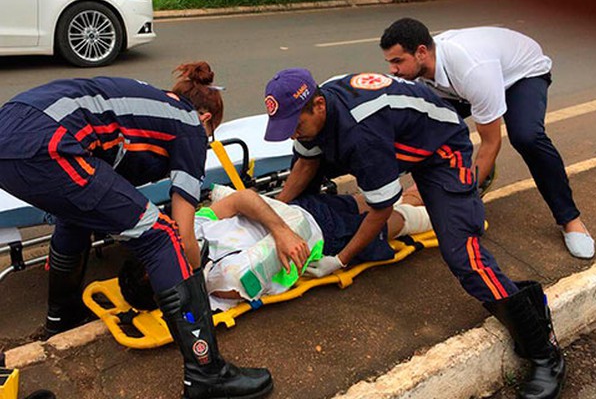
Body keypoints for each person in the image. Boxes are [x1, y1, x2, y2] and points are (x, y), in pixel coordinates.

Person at [263, 68, 565, 399]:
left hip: (442, 151)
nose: (293, 134)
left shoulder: (362, 134)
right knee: (309, 177)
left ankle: (544, 353)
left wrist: (340, 259)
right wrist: (277, 212)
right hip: (401, 136)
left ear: (318, 105)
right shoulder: (321, 109)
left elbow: (381, 211)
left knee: (463, 255)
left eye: (296, 126)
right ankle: (525, 301)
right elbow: (305, 164)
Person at [0, 63, 287, 399]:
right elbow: (183, 230)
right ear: (206, 119)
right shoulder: (190, 124)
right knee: (162, 236)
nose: (205, 142)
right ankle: (207, 372)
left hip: (13, 126)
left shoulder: (149, 104)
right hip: (48, 142)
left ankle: (61, 321)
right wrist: (196, 275)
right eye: (210, 136)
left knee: (76, 215)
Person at [379, 18, 595, 260]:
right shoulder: (415, 73)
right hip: (468, 83)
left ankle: (570, 219)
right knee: (427, 128)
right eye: (390, 62)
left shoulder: (472, 69)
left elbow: (491, 142)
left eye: (398, 61)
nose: (393, 70)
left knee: (527, 137)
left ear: (421, 52)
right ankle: (461, 178)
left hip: (520, 74)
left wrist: (461, 203)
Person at [120, 185, 432, 312]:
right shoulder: (229, 279)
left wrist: (276, 226)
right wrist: (278, 226)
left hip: (297, 210)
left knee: (380, 199)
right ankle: (437, 210)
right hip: (324, 237)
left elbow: (243, 197)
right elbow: (293, 240)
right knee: (400, 218)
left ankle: (428, 195)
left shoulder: (190, 237)